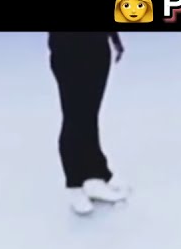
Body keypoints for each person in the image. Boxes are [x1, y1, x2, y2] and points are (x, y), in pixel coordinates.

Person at [47, 31, 130, 215]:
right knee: (74, 116)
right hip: (68, 48)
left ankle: (95, 174)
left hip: (97, 46)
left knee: (89, 115)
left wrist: (114, 37)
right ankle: (74, 183)